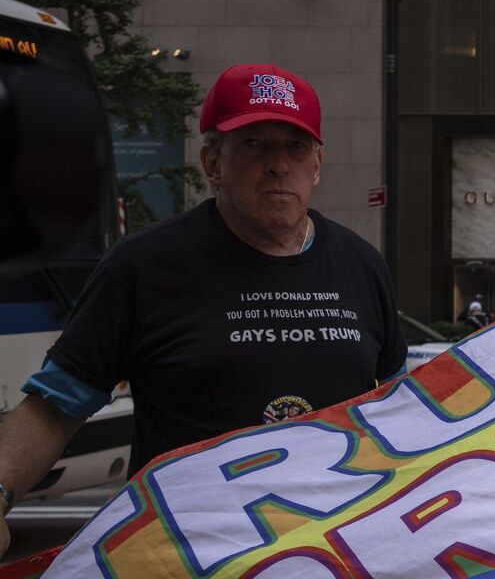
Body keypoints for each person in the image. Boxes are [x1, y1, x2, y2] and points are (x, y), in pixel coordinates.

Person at [0, 63, 406, 554]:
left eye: (295, 147)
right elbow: (54, 407)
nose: (279, 164)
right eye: (255, 144)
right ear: (212, 162)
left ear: (317, 166)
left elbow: (400, 408)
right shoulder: (143, 265)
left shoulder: (361, 264)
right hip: (186, 554)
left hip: (330, 552)